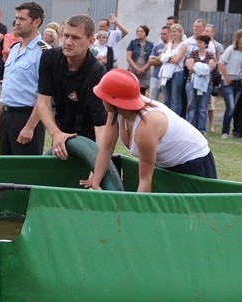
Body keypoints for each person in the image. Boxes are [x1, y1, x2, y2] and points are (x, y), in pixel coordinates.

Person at [81, 69, 217, 193]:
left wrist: (140, 214)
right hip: (169, 166)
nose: (100, 100)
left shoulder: (146, 126)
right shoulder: (116, 109)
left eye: (104, 97)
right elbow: (106, 147)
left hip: (195, 164)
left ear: (113, 100)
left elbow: (145, 179)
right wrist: (96, 181)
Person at [37, 14, 108, 160]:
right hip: (60, 133)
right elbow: (43, 102)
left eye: (75, 38)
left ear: (90, 41)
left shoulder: (97, 72)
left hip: (89, 140)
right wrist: (56, 133)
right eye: (65, 36)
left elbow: (101, 127)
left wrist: (97, 170)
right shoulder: (49, 58)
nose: (68, 42)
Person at [0, 1, 48, 155]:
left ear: (36, 22)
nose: (17, 23)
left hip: (27, 117)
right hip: (7, 116)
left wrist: (30, 126)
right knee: (7, 172)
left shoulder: (44, 52)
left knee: (25, 174)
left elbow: (44, 96)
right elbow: (7, 88)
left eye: (22, 19)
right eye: (16, 18)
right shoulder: (15, 49)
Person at [218, 29, 242, 138]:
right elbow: (221, 64)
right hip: (228, 82)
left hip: (239, 82)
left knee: (235, 107)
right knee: (230, 107)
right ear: (238, 38)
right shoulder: (230, 49)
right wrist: (226, 78)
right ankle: (225, 131)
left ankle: (233, 130)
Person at [184, 34, 216, 134]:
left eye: (200, 42)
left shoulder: (210, 54)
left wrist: (198, 68)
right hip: (192, 82)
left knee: (203, 107)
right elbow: (190, 67)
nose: (198, 44)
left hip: (207, 83)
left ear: (206, 44)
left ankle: (201, 129)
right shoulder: (193, 53)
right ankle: (189, 127)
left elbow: (211, 68)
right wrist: (203, 69)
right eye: (198, 42)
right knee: (191, 106)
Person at [159, 23, 188, 116]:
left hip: (177, 72)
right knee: (166, 98)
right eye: (171, 31)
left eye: (174, 31)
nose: (172, 33)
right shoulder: (168, 44)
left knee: (175, 98)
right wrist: (167, 58)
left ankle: (175, 117)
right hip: (166, 72)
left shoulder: (183, 45)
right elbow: (160, 57)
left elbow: (177, 59)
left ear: (180, 32)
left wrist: (166, 58)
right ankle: (166, 117)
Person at [126, 25, 154, 94]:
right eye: (138, 31)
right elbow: (128, 57)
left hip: (145, 71)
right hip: (133, 69)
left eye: (141, 31)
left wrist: (143, 69)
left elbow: (152, 59)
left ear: (146, 33)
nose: (139, 33)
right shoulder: (133, 43)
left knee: (142, 92)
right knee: (131, 90)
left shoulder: (150, 45)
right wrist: (136, 68)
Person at [147, 26, 170, 102]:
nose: (162, 36)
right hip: (155, 76)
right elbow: (150, 61)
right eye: (161, 34)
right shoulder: (157, 46)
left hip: (166, 77)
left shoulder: (172, 47)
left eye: (164, 34)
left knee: (166, 100)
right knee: (152, 100)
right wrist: (164, 59)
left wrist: (158, 59)